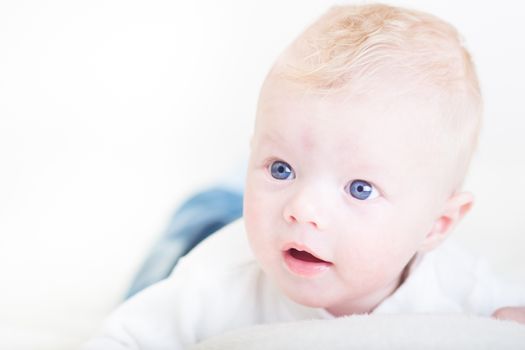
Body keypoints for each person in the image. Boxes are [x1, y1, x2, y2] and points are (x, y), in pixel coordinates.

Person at [83, 4, 525, 349]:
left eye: (360, 189)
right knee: (184, 237)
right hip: (209, 234)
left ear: (437, 225)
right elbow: (122, 338)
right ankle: (227, 187)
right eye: (281, 168)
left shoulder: (459, 289)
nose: (303, 209)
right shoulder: (214, 282)